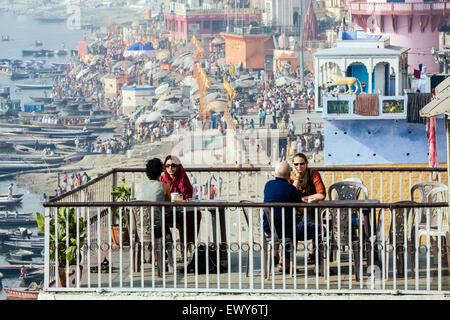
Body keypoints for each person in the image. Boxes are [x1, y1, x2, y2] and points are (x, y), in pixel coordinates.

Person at [263, 161, 324, 273]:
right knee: (319, 229)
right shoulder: (290, 189)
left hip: (269, 229)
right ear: (289, 174)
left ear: (275, 173)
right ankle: (319, 266)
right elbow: (301, 209)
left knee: (290, 225)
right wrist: (310, 204)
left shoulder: (268, 185)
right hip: (285, 229)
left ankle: (286, 265)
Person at [160, 155, 200, 249]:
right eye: (167, 165)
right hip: (166, 212)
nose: (170, 168)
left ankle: (187, 245)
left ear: (178, 166)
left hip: (181, 211)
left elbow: (188, 196)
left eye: (173, 165)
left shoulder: (183, 179)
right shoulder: (162, 180)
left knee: (196, 214)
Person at [135, 158, 171, 239]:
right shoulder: (164, 186)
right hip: (156, 228)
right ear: (161, 172)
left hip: (140, 226)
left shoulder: (137, 186)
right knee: (167, 229)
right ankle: (165, 248)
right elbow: (169, 205)